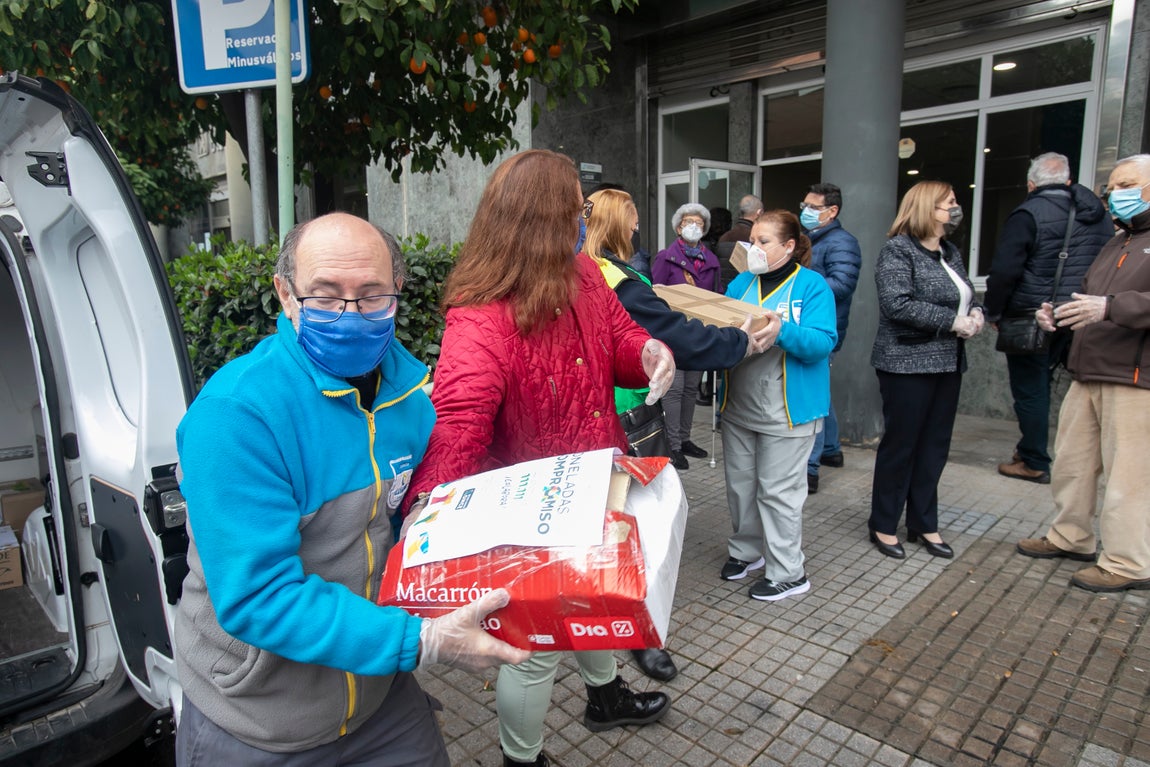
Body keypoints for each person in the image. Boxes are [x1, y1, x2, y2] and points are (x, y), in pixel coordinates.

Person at [172, 213, 530, 766]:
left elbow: (406, 516)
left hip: (379, 695)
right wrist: (423, 641)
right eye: (324, 296)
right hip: (258, 718)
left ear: (397, 291)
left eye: (371, 295)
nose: (350, 314)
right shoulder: (236, 415)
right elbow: (258, 596)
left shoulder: (409, 401)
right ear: (285, 295)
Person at [403, 150, 676, 767]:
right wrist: (429, 511)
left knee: (594, 596)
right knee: (536, 651)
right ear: (540, 220)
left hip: (596, 476)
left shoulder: (583, 273)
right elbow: (458, 421)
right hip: (531, 509)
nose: (584, 222)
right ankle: (520, 759)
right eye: (575, 211)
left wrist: (648, 352)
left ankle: (605, 698)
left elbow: (620, 336)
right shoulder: (481, 314)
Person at [583, 188, 770, 681]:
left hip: (595, 417)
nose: (636, 228)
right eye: (631, 219)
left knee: (608, 527)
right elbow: (674, 333)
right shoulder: (613, 278)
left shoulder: (591, 271)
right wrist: (738, 341)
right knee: (635, 528)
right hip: (624, 418)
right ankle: (637, 632)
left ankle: (613, 627)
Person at [1016, 153, 1150, 593]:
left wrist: (1110, 308)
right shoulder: (1119, 239)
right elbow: (1090, 295)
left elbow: (1109, 304)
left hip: (1134, 378)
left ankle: (1128, 563)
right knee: (1073, 464)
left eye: (1126, 185)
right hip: (1088, 368)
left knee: (1130, 476)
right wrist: (1059, 313)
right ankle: (1070, 538)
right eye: (1112, 187)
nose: (1114, 195)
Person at [719, 210, 837, 601]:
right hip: (741, 404)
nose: (754, 248)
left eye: (764, 242)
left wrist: (783, 330)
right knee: (741, 487)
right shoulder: (741, 283)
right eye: (752, 241)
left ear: (789, 245)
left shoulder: (812, 286)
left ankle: (788, 572)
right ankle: (747, 551)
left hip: (787, 410)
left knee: (778, 492)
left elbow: (823, 342)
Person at [869, 181, 985, 560]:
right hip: (907, 364)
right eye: (949, 202)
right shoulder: (898, 250)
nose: (955, 208)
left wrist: (976, 312)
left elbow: (965, 293)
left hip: (948, 363)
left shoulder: (949, 251)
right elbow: (897, 304)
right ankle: (884, 524)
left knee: (934, 446)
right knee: (901, 446)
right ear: (926, 208)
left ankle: (923, 522)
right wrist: (952, 322)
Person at [983, 152, 1112, 484]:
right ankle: (1078, 460)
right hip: (1082, 313)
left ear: (1031, 184)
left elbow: (1005, 270)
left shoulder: (1028, 213)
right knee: (1076, 389)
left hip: (1032, 313)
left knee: (1031, 389)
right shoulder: (1099, 216)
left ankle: (1034, 460)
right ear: (1068, 181)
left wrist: (994, 311)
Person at [800, 182, 862, 494]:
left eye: (813, 207)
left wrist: (801, 286)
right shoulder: (811, 238)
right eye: (805, 206)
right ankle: (831, 450)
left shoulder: (841, 242)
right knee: (821, 389)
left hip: (823, 329)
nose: (805, 212)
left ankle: (810, 469)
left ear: (832, 211)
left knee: (814, 395)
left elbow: (842, 284)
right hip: (811, 326)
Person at [652, 202, 723, 470]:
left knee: (692, 388)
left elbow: (718, 295)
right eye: (687, 222)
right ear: (678, 227)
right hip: (673, 332)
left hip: (699, 333)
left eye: (699, 223)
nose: (693, 226)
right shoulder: (665, 257)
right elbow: (655, 293)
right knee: (674, 389)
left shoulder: (711, 261)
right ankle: (672, 444)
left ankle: (684, 438)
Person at [717, 194, 765, 287]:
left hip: (725, 290)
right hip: (749, 289)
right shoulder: (757, 239)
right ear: (759, 212)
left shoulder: (724, 237)